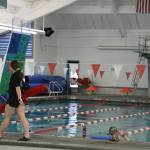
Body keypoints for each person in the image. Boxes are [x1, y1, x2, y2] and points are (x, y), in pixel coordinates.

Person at [0, 60, 30, 141]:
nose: (8, 68)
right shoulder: (20, 75)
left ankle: (0, 134)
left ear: (12, 67)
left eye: (9, 67)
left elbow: (17, 88)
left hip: (13, 100)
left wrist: (19, 99)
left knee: (7, 118)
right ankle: (27, 135)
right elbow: (23, 87)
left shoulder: (15, 75)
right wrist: (21, 99)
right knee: (23, 118)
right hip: (20, 100)